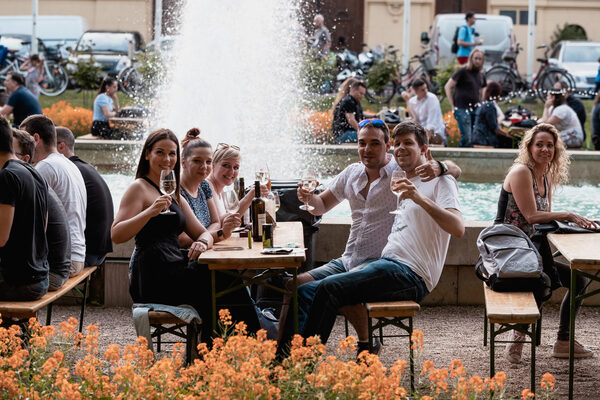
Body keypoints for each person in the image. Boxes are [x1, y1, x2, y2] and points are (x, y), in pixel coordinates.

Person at [277, 118, 462, 353]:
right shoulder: (401, 177)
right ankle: (282, 361)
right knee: (300, 289)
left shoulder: (423, 178)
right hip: (377, 261)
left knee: (330, 289)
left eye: (376, 143)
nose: (367, 149)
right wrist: (307, 197)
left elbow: (458, 224)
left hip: (406, 271)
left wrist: (441, 168)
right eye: (362, 143)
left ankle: (305, 362)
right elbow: (320, 205)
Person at [111, 128, 259, 343]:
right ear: (147, 154)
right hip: (154, 273)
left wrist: (209, 238)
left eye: (172, 154)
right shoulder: (139, 188)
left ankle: (236, 346)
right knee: (218, 283)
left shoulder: (171, 192)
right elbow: (116, 234)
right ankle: (228, 349)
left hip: (176, 264)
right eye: (160, 152)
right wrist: (149, 212)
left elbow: (202, 232)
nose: (167, 159)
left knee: (226, 278)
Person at [495, 123, 596, 362]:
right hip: (507, 249)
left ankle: (563, 340)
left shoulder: (547, 177)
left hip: (529, 247)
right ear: (529, 147)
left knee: (578, 279)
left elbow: (542, 223)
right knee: (542, 278)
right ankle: (517, 340)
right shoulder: (521, 172)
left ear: (556, 150)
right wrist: (567, 215)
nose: (545, 149)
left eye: (550, 145)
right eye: (539, 144)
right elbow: (531, 216)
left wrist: (575, 226)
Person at [20, 115, 87, 278]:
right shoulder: (68, 163)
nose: (22, 149)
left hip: (64, 262)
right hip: (78, 255)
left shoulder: (45, 167)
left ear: (36, 139)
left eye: (23, 142)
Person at [12, 128, 71, 291]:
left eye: (10, 152)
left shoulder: (20, 179)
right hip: (51, 268)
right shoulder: (30, 177)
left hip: (49, 274)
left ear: (25, 159)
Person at [0, 116, 49, 300]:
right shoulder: (34, 173)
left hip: (19, 282)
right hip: (40, 277)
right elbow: (42, 229)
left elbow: (1, 239)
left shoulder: (7, 176)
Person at [56, 126, 114, 267]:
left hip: (88, 254)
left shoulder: (69, 171)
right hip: (99, 252)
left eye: (49, 147)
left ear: (61, 146)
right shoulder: (84, 167)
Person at [179, 128, 239, 246]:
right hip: (183, 258)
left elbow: (215, 222)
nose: (204, 167)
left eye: (208, 162)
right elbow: (182, 240)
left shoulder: (204, 185)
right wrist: (219, 234)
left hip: (205, 249)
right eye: (197, 161)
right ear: (183, 162)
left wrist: (205, 237)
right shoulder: (176, 192)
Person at [445, 49, 486, 147]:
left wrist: (482, 104)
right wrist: (452, 105)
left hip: (475, 109)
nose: (477, 61)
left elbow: (483, 89)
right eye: (475, 58)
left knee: (472, 138)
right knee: (467, 137)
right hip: (462, 108)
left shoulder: (481, 74)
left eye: (480, 59)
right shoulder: (463, 71)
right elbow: (448, 86)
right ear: (471, 58)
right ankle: (459, 158)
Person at [401, 78, 446, 145]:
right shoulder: (412, 101)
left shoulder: (432, 98)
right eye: (422, 90)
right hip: (421, 132)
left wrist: (425, 142)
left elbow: (431, 124)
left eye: (426, 88)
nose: (426, 91)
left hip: (435, 132)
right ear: (416, 92)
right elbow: (414, 119)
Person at [472, 81, 512, 148]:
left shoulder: (483, 104)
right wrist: (509, 135)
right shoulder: (490, 106)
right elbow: (495, 128)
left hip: (478, 138)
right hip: (485, 140)